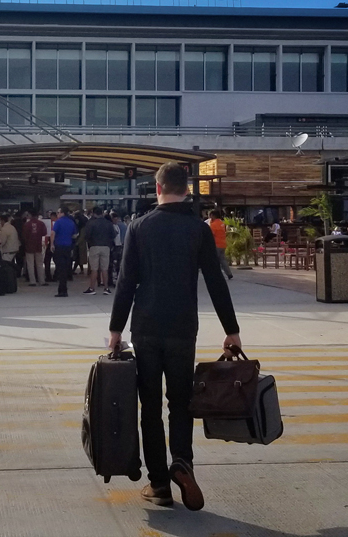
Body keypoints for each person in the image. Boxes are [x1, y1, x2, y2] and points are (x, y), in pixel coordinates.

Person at [109, 161, 242, 511]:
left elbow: (126, 283)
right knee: (181, 403)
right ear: (187, 190)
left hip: (147, 327)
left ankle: (159, 485)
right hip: (184, 328)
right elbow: (215, 280)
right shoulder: (198, 230)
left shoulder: (139, 227)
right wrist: (232, 331)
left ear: (157, 188)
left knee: (149, 407)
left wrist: (115, 330)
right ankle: (182, 462)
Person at [83, 206, 116, 295]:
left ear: (93, 213)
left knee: (94, 269)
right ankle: (106, 288)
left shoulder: (91, 223)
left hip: (94, 246)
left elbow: (87, 236)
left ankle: (92, 288)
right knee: (104, 269)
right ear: (102, 213)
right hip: (106, 247)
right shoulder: (108, 223)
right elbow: (113, 235)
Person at [51, 207, 77, 297]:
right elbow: (75, 235)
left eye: (58, 212)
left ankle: (62, 290)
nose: (57, 214)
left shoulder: (58, 222)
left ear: (62, 213)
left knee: (60, 267)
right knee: (66, 267)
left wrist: (51, 244)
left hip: (59, 246)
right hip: (68, 247)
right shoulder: (71, 222)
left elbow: (53, 233)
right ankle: (64, 288)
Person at [21, 210, 47, 287]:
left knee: (30, 264)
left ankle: (32, 281)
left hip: (29, 246)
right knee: (39, 264)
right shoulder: (41, 224)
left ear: (30, 215)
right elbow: (44, 233)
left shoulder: (27, 224)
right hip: (38, 246)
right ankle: (42, 281)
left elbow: (24, 236)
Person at [207, 210, 234, 281]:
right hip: (223, 244)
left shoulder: (213, 225)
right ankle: (229, 274)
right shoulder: (222, 223)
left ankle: (216, 275)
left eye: (210, 215)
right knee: (223, 260)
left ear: (213, 215)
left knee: (215, 261)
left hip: (216, 244)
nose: (209, 217)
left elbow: (211, 235)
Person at [0, 211, 20, 279]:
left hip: (8, 251)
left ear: (2, 221)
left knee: (5, 266)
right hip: (14, 249)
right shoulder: (12, 227)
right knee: (10, 266)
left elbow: (2, 242)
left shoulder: (4, 229)